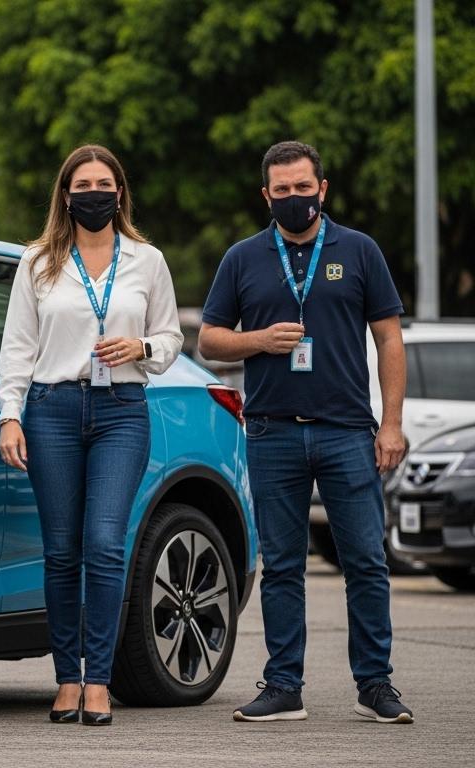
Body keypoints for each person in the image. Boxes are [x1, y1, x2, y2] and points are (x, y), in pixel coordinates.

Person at [200, 141, 413, 725]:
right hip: (272, 433)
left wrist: (391, 423)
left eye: (303, 187)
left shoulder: (360, 250)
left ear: (323, 189)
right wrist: (259, 341)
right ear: (265, 194)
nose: (294, 198)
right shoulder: (243, 258)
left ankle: (375, 685)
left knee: (366, 560)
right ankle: (283, 685)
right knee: (284, 565)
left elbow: (389, 338)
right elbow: (210, 339)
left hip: (347, 431)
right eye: (282, 190)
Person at [0, 145, 182, 726]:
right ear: (66, 195)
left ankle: (98, 679)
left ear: (119, 194)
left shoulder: (147, 261)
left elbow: (172, 338)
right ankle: (66, 678)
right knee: (61, 551)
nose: (94, 193)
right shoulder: (38, 262)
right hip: (51, 411)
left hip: (122, 410)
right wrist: (9, 414)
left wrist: (141, 348)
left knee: (104, 543)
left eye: (104, 183)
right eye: (83, 185)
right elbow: (18, 347)